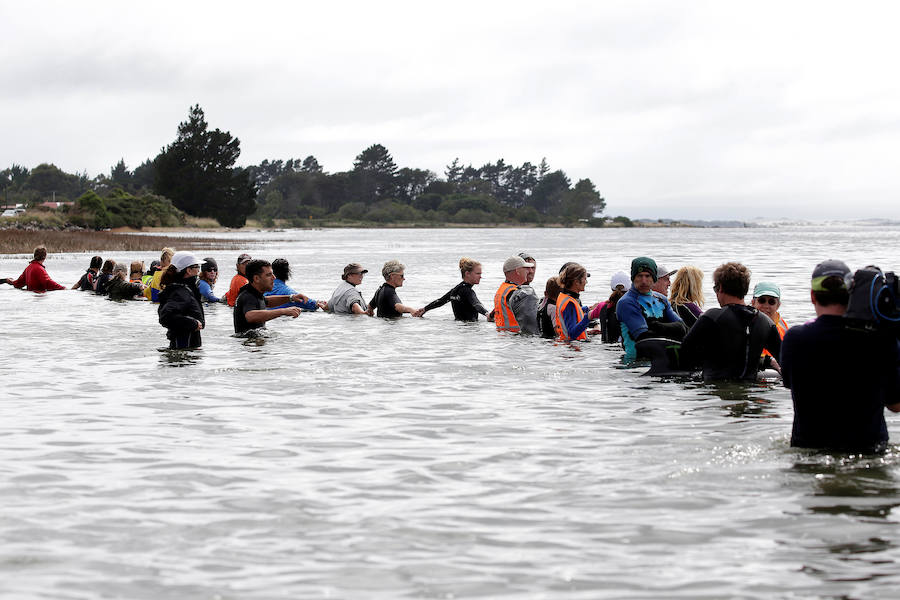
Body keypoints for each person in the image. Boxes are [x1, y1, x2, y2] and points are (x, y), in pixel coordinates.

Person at [781, 260, 900, 453]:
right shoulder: (880, 340)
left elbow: (788, 382)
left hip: (810, 450)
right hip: (869, 453)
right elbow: (895, 404)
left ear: (813, 296)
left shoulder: (795, 339)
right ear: (850, 295)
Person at [678, 262, 782, 380]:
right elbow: (785, 359)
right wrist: (766, 361)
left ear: (720, 288)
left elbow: (685, 356)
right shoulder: (766, 322)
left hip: (714, 391)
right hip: (750, 393)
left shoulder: (712, 317)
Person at [616, 257, 685, 361]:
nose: (644, 281)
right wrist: (670, 329)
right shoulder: (627, 302)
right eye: (640, 276)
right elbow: (644, 337)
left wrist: (656, 326)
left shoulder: (661, 299)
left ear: (654, 278)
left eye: (647, 276)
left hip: (662, 359)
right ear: (633, 278)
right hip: (636, 364)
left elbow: (682, 328)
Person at [233, 259, 305, 334]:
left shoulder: (254, 294)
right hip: (250, 342)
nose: (274, 278)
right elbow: (250, 316)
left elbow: (266, 301)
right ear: (256, 278)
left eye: (272, 274)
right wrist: (283, 311)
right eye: (269, 275)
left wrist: (291, 298)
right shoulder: (248, 296)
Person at [157, 251, 206, 349]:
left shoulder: (182, 289)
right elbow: (165, 316)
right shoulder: (181, 292)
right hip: (184, 348)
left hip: (184, 347)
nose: (199, 271)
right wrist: (193, 323)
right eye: (197, 267)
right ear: (188, 270)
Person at [414, 257, 488, 321]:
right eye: (478, 274)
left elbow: (440, 301)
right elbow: (476, 304)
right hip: (470, 329)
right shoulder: (468, 291)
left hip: (459, 328)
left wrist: (425, 309)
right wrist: (487, 314)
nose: (480, 276)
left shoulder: (455, 290)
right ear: (467, 273)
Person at [493, 256, 540, 334]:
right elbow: (531, 322)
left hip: (503, 336)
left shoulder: (502, 289)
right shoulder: (517, 293)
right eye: (525, 268)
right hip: (516, 338)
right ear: (517, 271)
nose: (528, 271)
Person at [751, 281, 788, 370]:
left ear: (778, 305)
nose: (766, 306)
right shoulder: (746, 325)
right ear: (753, 302)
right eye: (762, 300)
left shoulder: (782, 325)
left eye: (771, 302)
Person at [555, 263, 597, 341]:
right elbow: (572, 334)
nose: (586, 282)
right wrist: (588, 317)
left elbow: (571, 313)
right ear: (576, 282)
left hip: (565, 345)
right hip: (571, 349)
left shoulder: (563, 296)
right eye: (585, 279)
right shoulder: (569, 303)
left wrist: (587, 308)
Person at [1, 246, 66, 292]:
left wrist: (8, 281)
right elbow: (48, 282)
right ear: (45, 257)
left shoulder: (28, 268)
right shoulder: (40, 269)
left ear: (34, 256)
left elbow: (18, 284)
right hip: (39, 297)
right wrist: (64, 289)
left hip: (31, 296)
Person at [594, 271, 629, 343]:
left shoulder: (602, 306)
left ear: (612, 287)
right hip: (626, 349)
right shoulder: (635, 306)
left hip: (606, 350)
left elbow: (586, 318)